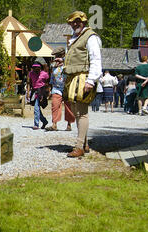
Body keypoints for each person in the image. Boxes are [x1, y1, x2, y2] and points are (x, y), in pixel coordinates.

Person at [63, 11, 102, 157]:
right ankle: (84, 144)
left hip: (83, 78)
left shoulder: (90, 37)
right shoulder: (75, 38)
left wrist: (91, 81)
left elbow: (96, 59)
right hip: (74, 78)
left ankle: (79, 146)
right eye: (72, 22)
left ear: (84, 22)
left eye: (78, 21)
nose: (75, 24)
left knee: (81, 112)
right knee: (77, 112)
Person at [45, 46, 75, 131]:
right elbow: (52, 75)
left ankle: (69, 124)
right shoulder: (54, 64)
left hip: (67, 87)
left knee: (68, 107)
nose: (56, 57)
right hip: (56, 88)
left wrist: (63, 61)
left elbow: (72, 63)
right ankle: (54, 124)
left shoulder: (68, 61)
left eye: (57, 55)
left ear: (62, 54)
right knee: (55, 105)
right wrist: (50, 87)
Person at [26, 63, 49, 130]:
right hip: (34, 91)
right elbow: (29, 83)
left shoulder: (44, 74)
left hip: (41, 90)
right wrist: (28, 93)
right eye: (34, 68)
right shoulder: (30, 74)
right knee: (37, 108)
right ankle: (44, 121)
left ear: (40, 68)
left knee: (36, 108)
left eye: (38, 68)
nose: (36, 70)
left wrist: (47, 92)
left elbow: (47, 83)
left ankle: (36, 124)